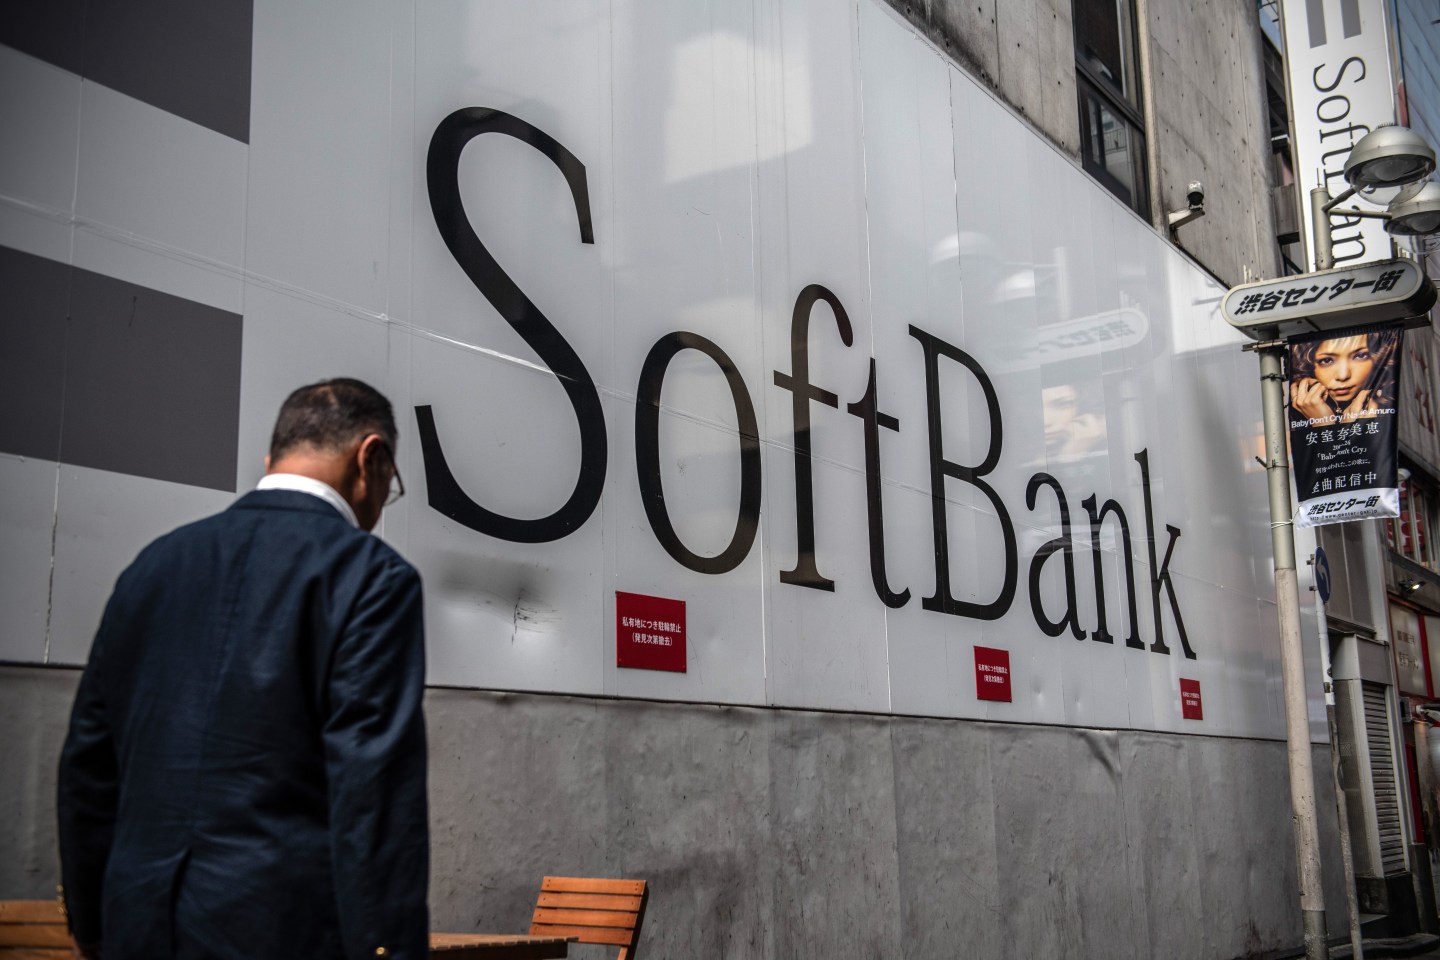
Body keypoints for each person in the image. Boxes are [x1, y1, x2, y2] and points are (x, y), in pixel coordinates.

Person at [56, 378, 429, 960]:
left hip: (138, 925)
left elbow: (88, 765)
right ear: (371, 457)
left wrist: (91, 924)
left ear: (272, 460)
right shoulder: (370, 577)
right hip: (281, 933)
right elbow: (373, 793)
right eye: (391, 485)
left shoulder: (153, 567)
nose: (382, 503)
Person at [1289, 332, 1397, 422]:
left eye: (1360, 356)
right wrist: (1323, 421)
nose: (1343, 376)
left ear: (1378, 358)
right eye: (1326, 360)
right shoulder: (1289, 425)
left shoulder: (1394, 414)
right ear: (1309, 366)